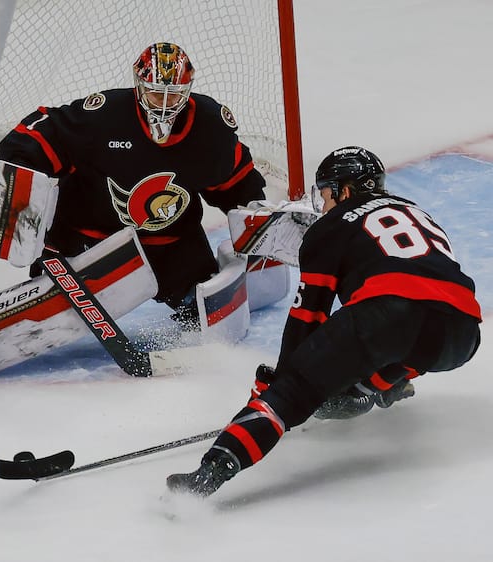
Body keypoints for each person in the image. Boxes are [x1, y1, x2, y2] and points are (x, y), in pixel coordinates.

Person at [0, 42, 273, 390]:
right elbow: (38, 134)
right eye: (155, 93)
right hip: (89, 242)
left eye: (173, 94)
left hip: (172, 244)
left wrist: (256, 219)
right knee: (52, 308)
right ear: (138, 86)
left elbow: (235, 181)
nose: (164, 105)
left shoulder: (209, 126)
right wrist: (22, 178)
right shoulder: (104, 116)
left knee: (201, 308)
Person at [166, 146, 482, 498]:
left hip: (389, 315)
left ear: (344, 191)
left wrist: (283, 383)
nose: (325, 203)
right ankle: (375, 387)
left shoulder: (332, 224)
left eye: (327, 193)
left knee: (289, 394)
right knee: (404, 340)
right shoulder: (416, 212)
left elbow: (308, 316)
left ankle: (204, 479)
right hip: (463, 333)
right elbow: (428, 299)